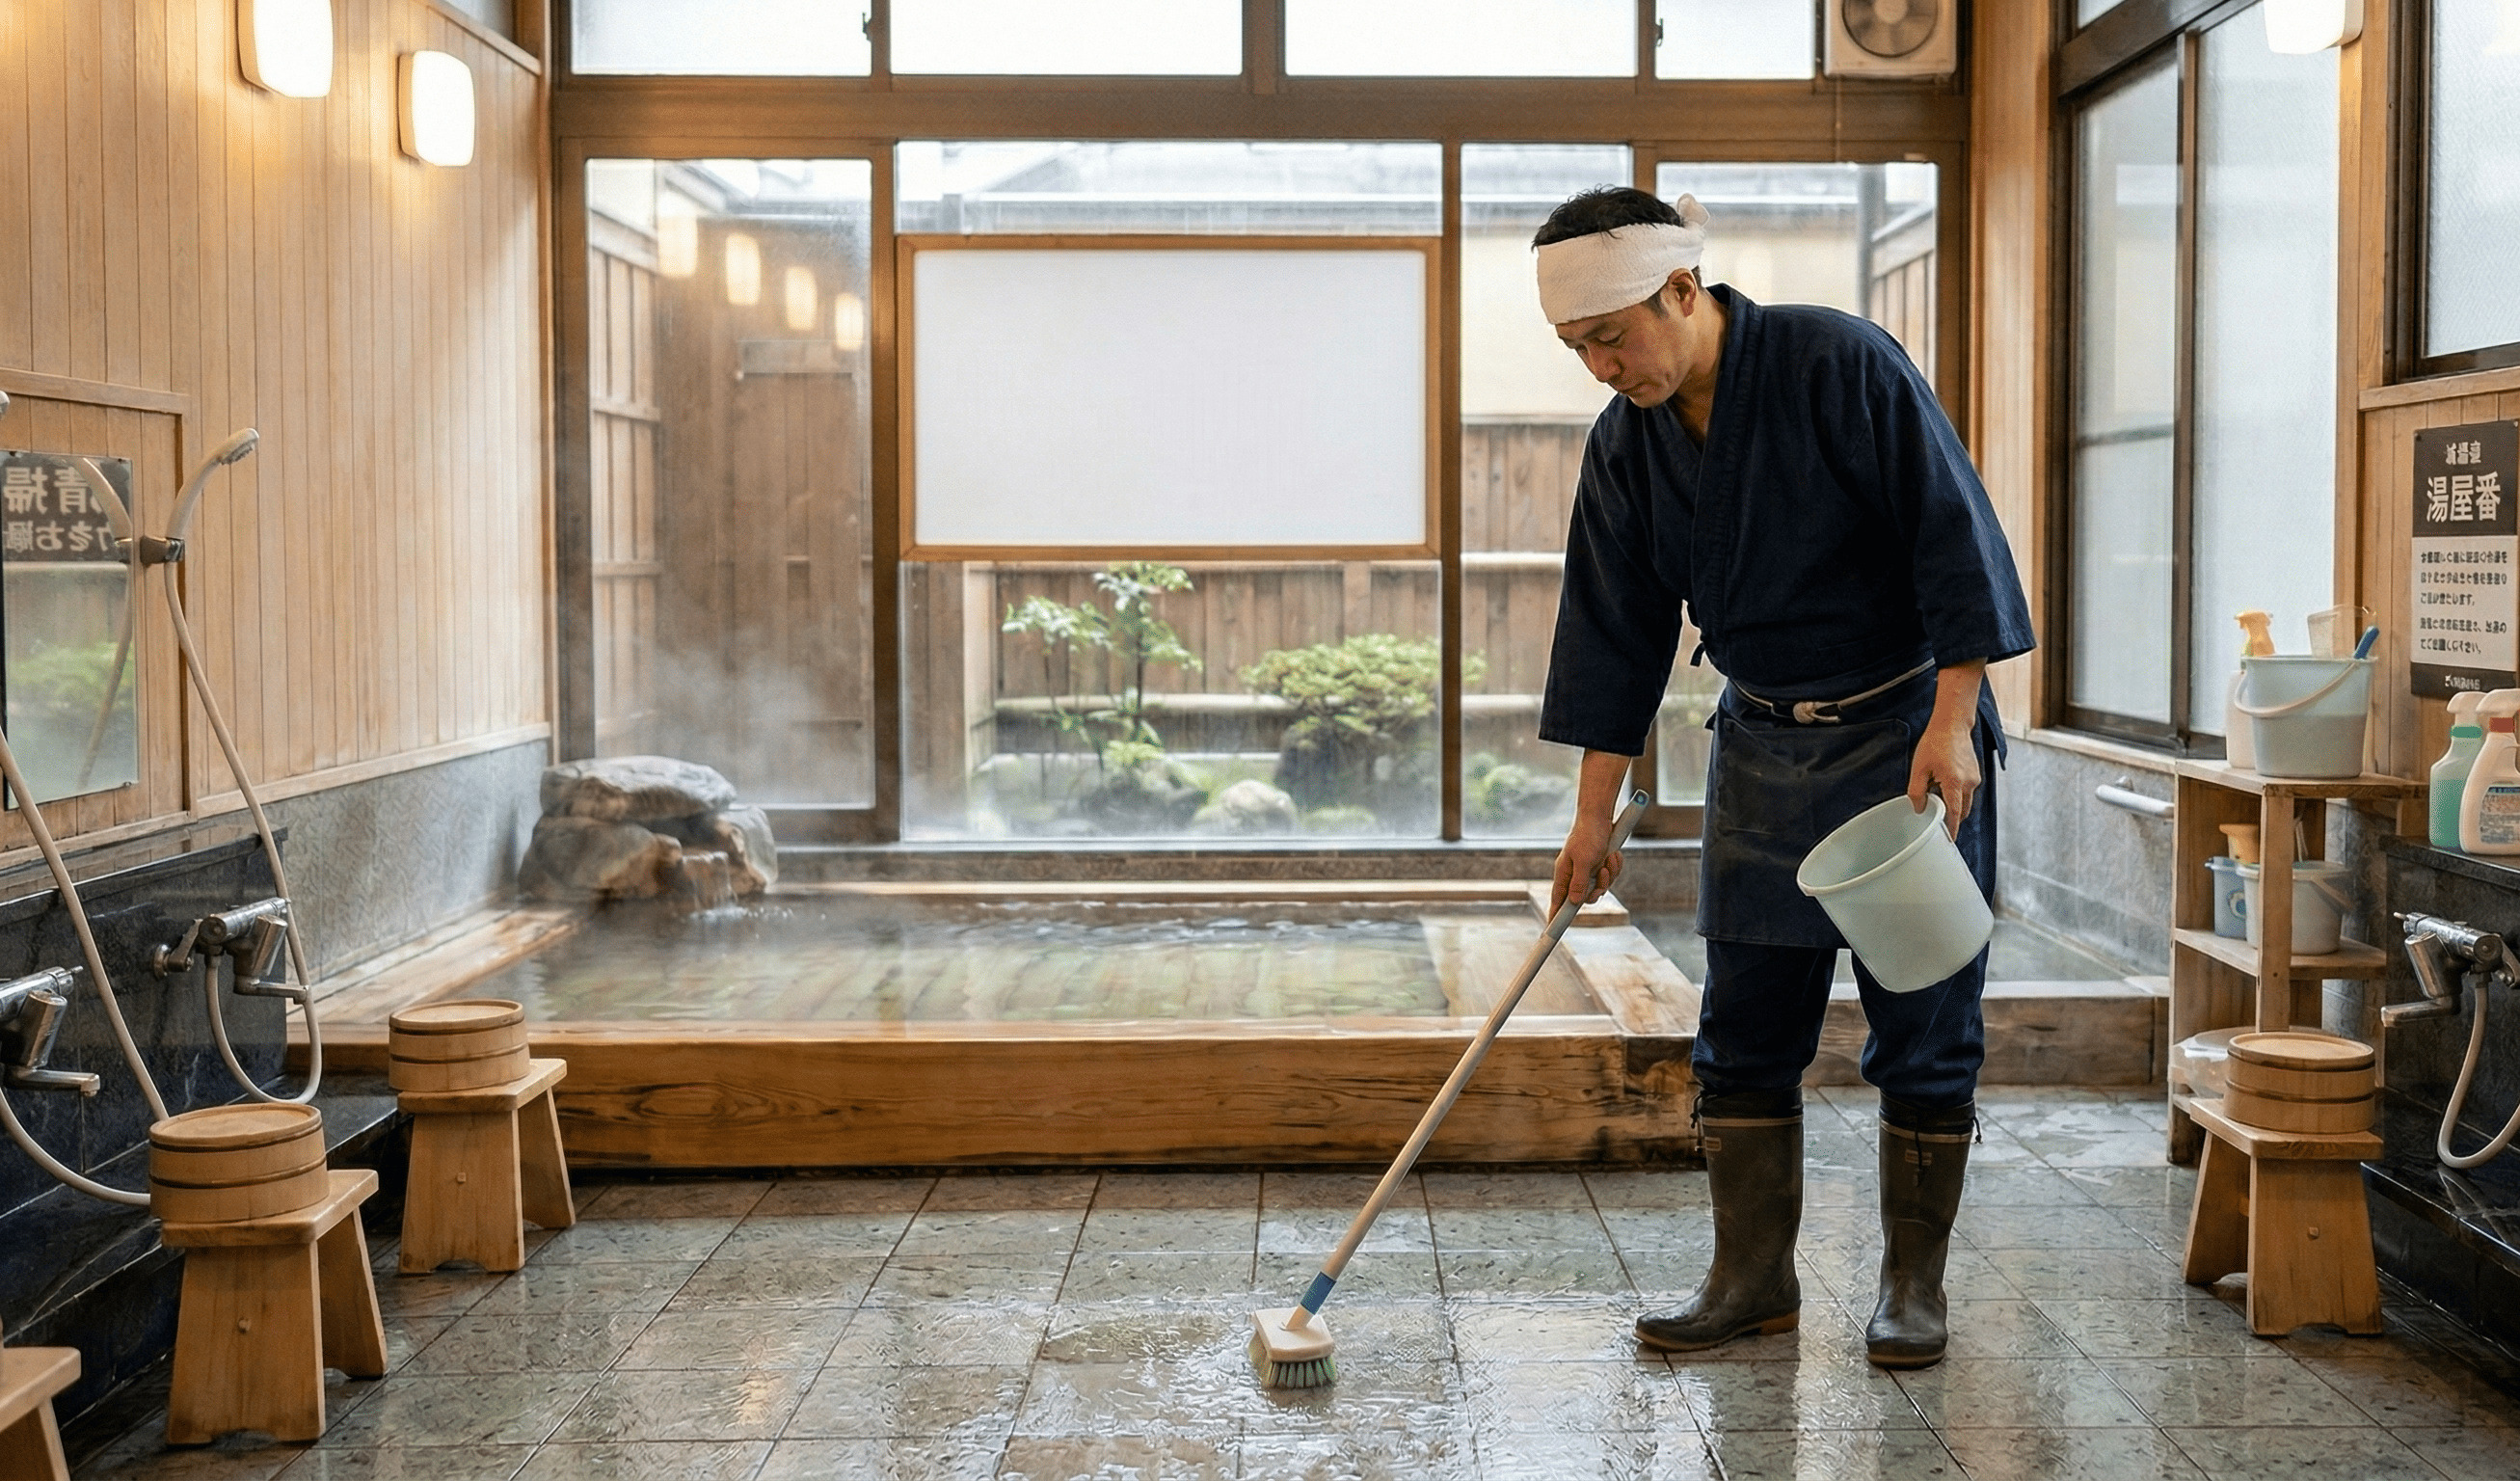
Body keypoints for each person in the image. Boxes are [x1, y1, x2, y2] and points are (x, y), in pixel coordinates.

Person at [1532, 187, 2034, 1370]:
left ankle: (1913, 1287)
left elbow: (1951, 538)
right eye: (1575, 349)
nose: (1601, 366)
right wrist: (1591, 819)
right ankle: (1749, 1281)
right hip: (1760, 741)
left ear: (1680, 289)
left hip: (1904, 730)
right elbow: (1614, 632)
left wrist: (1953, 724)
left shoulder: (1835, 360)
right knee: (1743, 1029)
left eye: (1611, 335)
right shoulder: (1627, 442)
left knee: (1923, 1020)